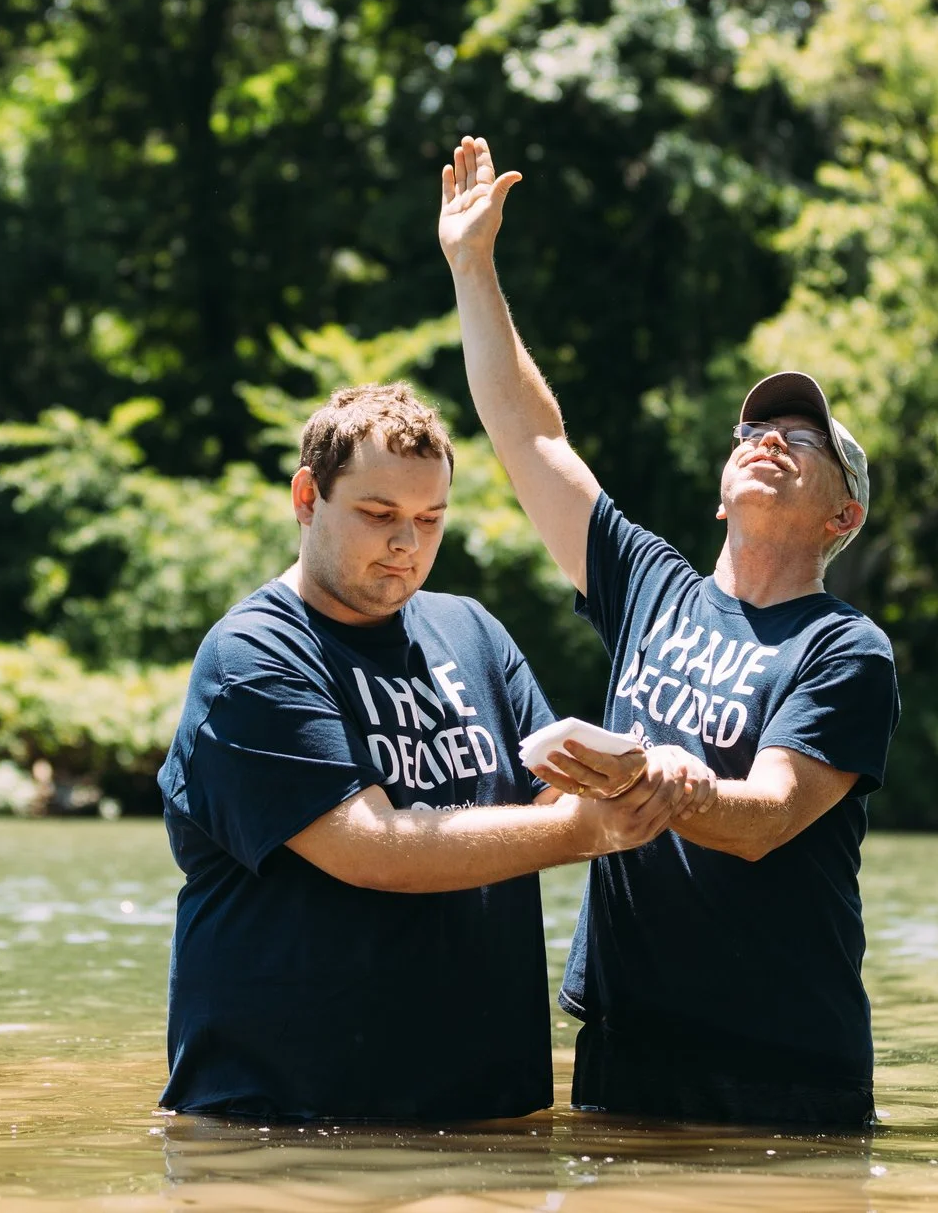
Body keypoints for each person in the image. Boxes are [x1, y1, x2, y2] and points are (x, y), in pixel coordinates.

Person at [437, 136, 903, 1131]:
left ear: (842, 516)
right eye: (756, 433)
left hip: (780, 1065)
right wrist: (473, 267)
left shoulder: (844, 648)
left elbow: (771, 812)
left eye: (806, 440)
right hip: (629, 1043)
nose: (770, 439)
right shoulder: (652, 585)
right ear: (723, 489)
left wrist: (680, 786)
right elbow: (532, 437)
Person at [157, 382, 698, 1123]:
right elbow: (370, 846)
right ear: (308, 497)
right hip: (289, 1127)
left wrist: (632, 780)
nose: (407, 544)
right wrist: (584, 831)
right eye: (379, 515)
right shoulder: (253, 655)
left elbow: (554, 795)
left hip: (483, 1120)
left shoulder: (472, 630)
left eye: (430, 519)